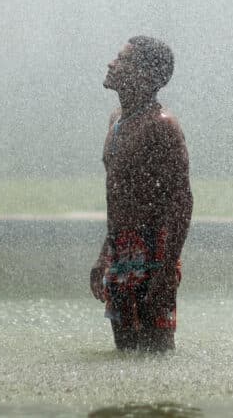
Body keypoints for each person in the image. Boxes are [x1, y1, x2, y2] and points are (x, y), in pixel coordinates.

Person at [90, 36, 192, 351]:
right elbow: (121, 197)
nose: (112, 63)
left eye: (123, 60)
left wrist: (165, 268)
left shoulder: (161, 125)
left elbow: (181, 200)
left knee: (156, 351)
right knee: (125, 352)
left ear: (146, 75)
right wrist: (105, 253)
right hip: (121, 248)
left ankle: (163, 400)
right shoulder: (117, 119)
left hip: (154, 251)